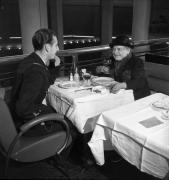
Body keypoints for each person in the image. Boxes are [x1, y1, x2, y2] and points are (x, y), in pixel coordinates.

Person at [10, 28, 78, 140]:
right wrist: (48, 114)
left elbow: (46, 81)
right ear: (47, 47)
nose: (58, 49)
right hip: (25, 126)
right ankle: (56, 154)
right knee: (71, 126)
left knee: (60, 115)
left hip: (18, 118)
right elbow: (23, 109)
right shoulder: (35, 71)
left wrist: (54, 66)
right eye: (56, 45)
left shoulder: (33, 61)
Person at [96, 35, 151, 100]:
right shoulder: (112, 60)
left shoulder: (137, 62)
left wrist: (122, 85)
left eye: (119, 49)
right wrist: (100, 70)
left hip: (137, 97)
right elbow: (107, 77)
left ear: (128, 51)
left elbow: (140, 82)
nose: (115, 52)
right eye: (114, 49)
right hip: (120, 94)